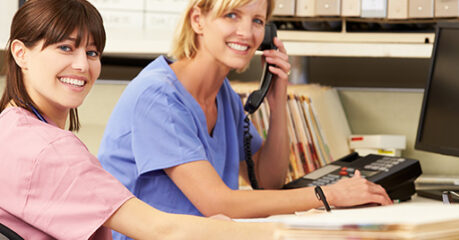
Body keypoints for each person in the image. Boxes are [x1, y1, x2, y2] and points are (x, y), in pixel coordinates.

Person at [98, 0, 392, 232]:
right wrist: (329, 195)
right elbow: (216, 201)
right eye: (231, 16)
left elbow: (267, 181)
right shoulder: (158, 97)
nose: (247, 33)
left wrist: (277, 103)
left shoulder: (224, 95)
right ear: (198, 20)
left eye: (258, 21)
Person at [0, 0, 276, 239]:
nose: (83, 65)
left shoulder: (12, 129)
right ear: (20, 53)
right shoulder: (51, 151)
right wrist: (287, 233)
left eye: (92, 53)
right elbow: (162, 230)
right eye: (65, 48)